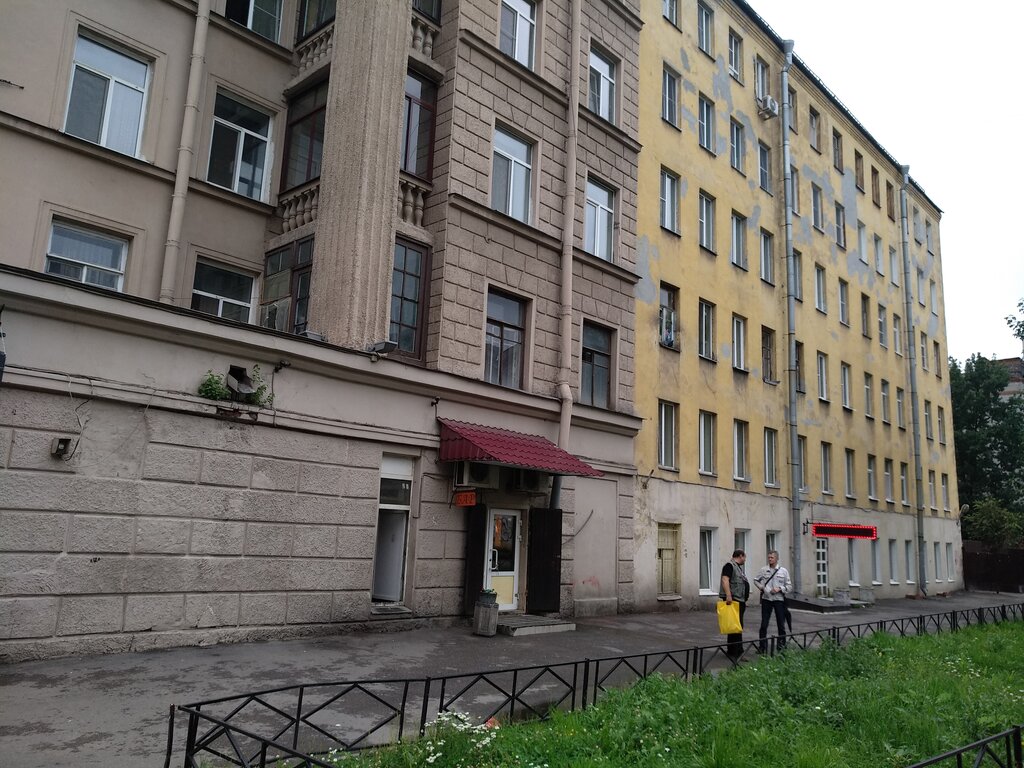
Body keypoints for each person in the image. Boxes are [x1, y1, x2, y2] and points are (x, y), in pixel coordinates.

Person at [754, 549, 793, 653]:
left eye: (772, 557)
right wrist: (762, 588)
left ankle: (781, 647)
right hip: (766, 599)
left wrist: (780, 588)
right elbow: (756, 580)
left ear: (777, 558)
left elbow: (789, 587)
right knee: (764, 624)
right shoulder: (764, 570)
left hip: (779, 600)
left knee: (781, 624)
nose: (770, 559)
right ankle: (762, 647)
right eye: (769, 557)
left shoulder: (783, 571)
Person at [719, 549, 749, 660]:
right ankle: (737, 652)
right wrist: (728, 595)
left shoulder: (737, 567)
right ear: (740, 556)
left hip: (739, 600)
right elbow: (725, 580)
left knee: (734, 626)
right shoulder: (729, 566)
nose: (745, 560)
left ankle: (732, 650)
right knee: (737, 627)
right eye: (744, 557)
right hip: (734, 600)